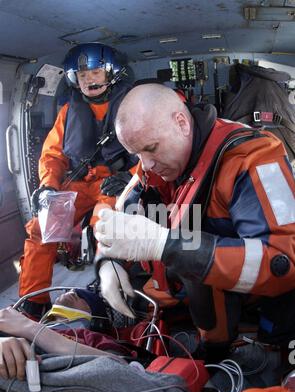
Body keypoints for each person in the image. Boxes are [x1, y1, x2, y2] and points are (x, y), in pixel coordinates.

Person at [94, 83, 295, 359]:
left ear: (181, 123)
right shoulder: (155, 159)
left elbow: (284, 262)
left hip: (244, 313)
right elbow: (123, 213)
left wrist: (164, 244)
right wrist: (108, 261)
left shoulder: (254, 157)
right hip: (186, 300)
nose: (146, 164)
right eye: (137, 154)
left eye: (151, 149)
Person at [19, 42, 138, 318]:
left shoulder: (133, 105)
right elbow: (52, 154)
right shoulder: (68, 111)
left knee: (104, 226)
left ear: (111, 73)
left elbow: (151, 150)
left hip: (115, 182)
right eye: (82, 75)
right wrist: (48, 186)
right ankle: (33, 302)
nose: (88, 79)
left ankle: (107, 293)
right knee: (41, 228)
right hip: (78, 183)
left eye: (95, 72)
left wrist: (130, 177)